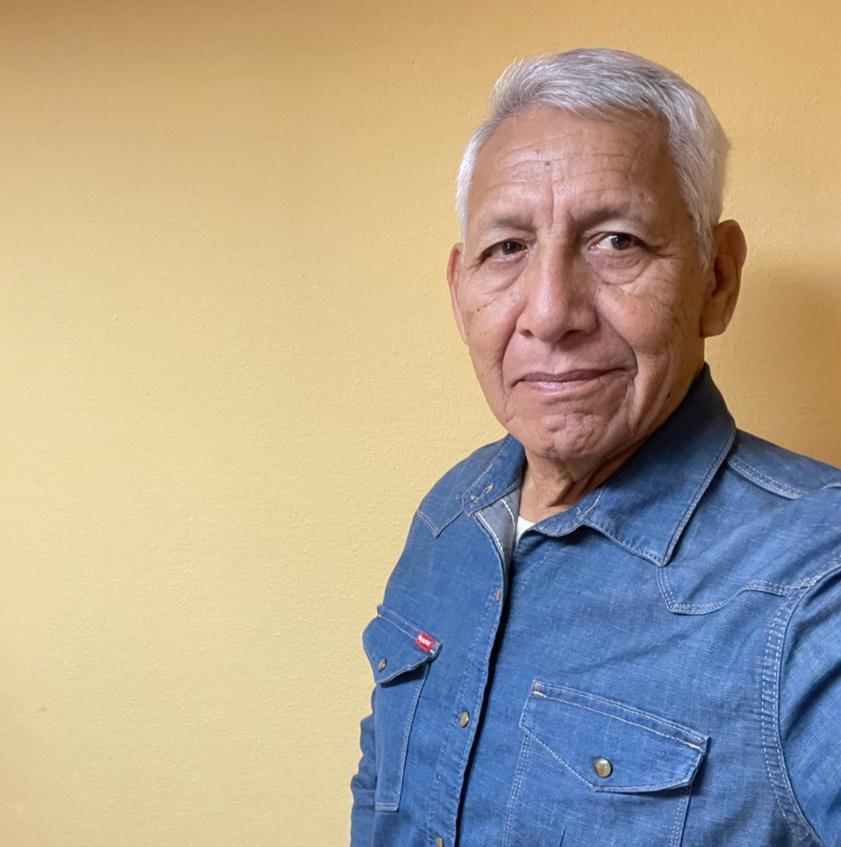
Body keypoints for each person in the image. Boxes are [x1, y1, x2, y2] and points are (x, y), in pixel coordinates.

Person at [350, 48, 841, 847]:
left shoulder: (818, 588)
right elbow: (382, 790)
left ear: (716, 279)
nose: (549, 313)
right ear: (460, 288)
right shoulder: (451, 516)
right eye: (507, 248)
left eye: (616, 241)